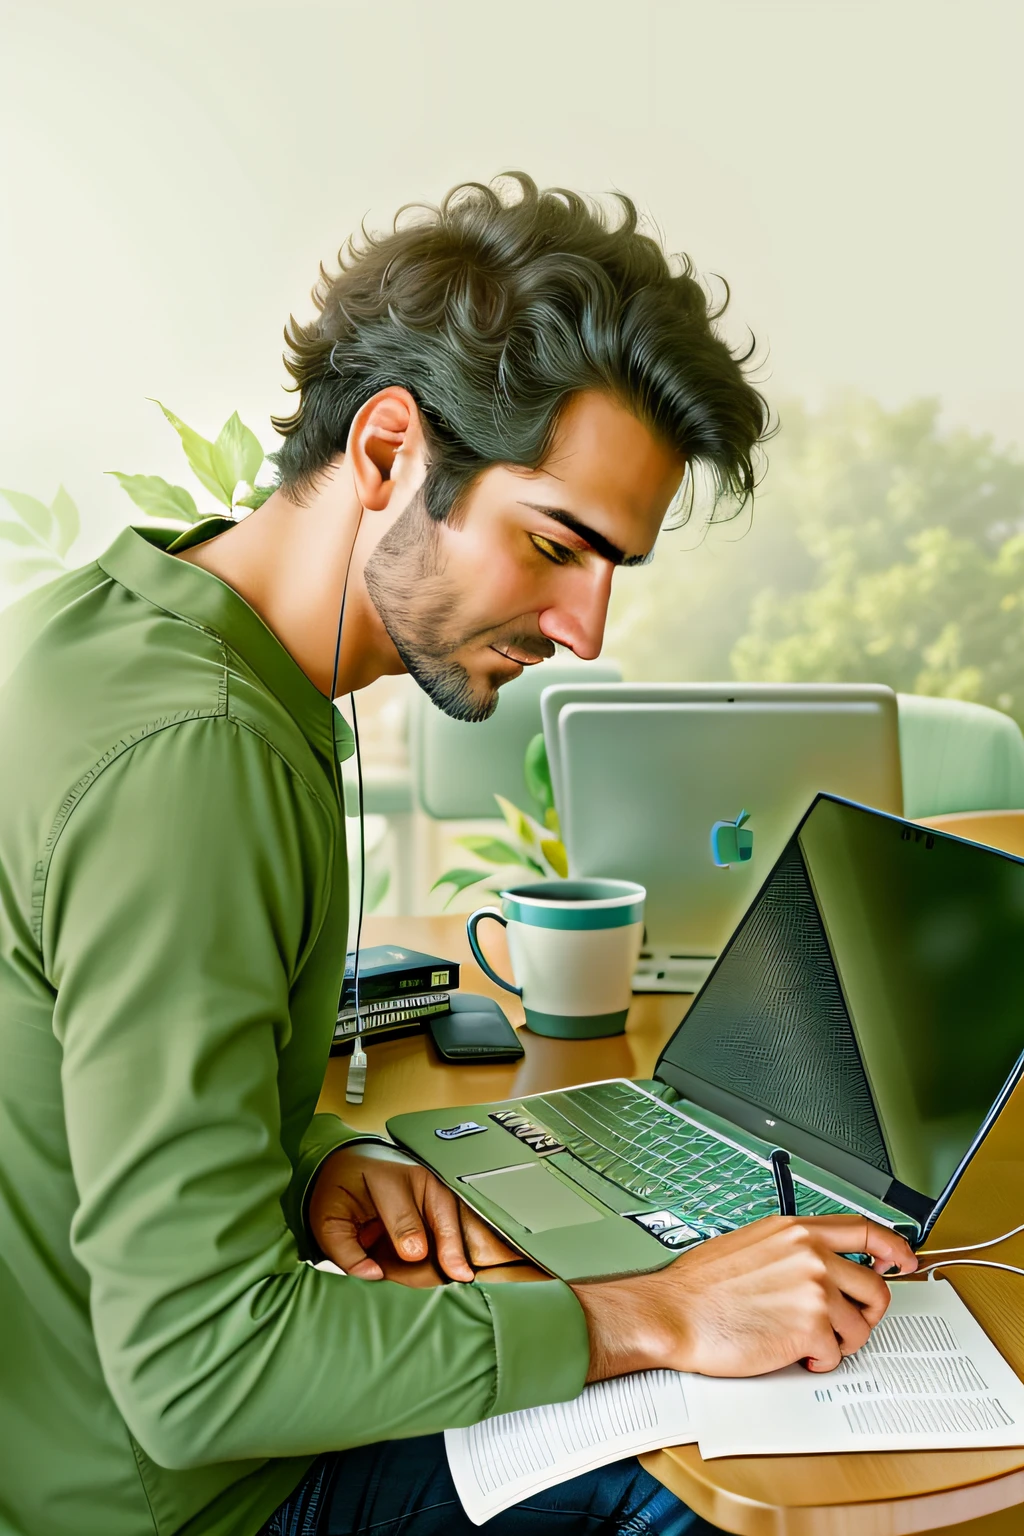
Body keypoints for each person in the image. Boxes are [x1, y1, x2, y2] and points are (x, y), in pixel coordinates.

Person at [0, 174, 916, 1536]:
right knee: (716, 1488)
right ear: (386, 456)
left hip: (79, 1441)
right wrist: (655, 1311)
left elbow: (74, 1096)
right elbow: (197, 1374)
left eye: (616, 568)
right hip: (180, 1503)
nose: (588, 629)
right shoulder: (201, 759)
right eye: (558, 545)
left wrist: (302, 1155)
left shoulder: (101, 631)